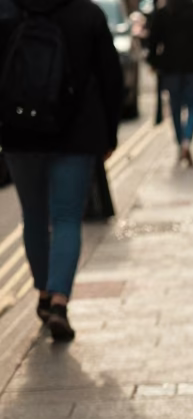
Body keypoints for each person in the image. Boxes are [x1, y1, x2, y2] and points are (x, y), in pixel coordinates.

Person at [0, 0, 123, 342]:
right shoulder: (88, 14)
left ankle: (41, 291)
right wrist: (109, 133)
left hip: (19, 134)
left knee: (34, 218)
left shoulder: (7, 12)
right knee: (67, 217)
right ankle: (58, 302)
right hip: (76, 134)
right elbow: (110, 78)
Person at [146, 0, 193, 166]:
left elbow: (153, 42)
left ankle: (180, 142)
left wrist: (155, 63)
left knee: (175, 107)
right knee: (192, 105)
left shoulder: (163, 12)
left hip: (171, 68)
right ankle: (187, 141)